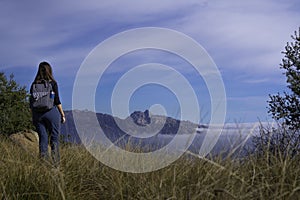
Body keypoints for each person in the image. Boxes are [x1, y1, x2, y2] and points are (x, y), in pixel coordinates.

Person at [30, 61, 66, 167]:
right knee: (54, 139)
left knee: (43, 139)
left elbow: (31, 101)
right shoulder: (52, 83)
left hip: (37, 115)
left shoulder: (34, 84)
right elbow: (57, 101)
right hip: (51, 113)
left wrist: (32, 116)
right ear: (49, 71)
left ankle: (43, 165)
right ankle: (56, 166)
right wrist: (62, 114)